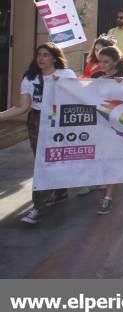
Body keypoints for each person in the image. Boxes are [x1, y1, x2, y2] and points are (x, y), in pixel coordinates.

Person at [0, 44, 76, 225]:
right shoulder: (30, 78)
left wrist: (64, 86)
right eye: (39, 55)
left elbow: (80, 96)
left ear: (55, 58)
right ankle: (54, 192)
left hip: (57, 119)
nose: (41, 59)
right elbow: (23, 107)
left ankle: (40, 205)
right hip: (36, 120)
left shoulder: (67, 75)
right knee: (41, 160)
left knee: (53, 159)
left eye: (46, 55)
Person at [92, 46, 123, 215]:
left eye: (106, 62)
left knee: (112, 161)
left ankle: (108, 197)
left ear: (115, 62)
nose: (102, 65)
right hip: (99, 125)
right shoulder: (96, 77)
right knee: (103, 159)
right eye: (100, 61)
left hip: (117, 127)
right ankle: (106, 188)